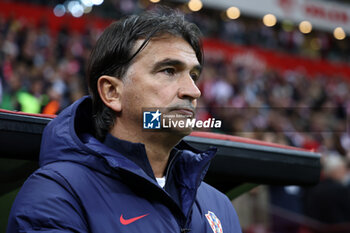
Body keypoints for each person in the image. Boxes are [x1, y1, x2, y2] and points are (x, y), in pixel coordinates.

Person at [7, 8, 242, 233]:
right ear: (112, 92)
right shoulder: (58, 192)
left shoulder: (219, 206)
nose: (193, 91)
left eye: (194, 76)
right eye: (169, 71)